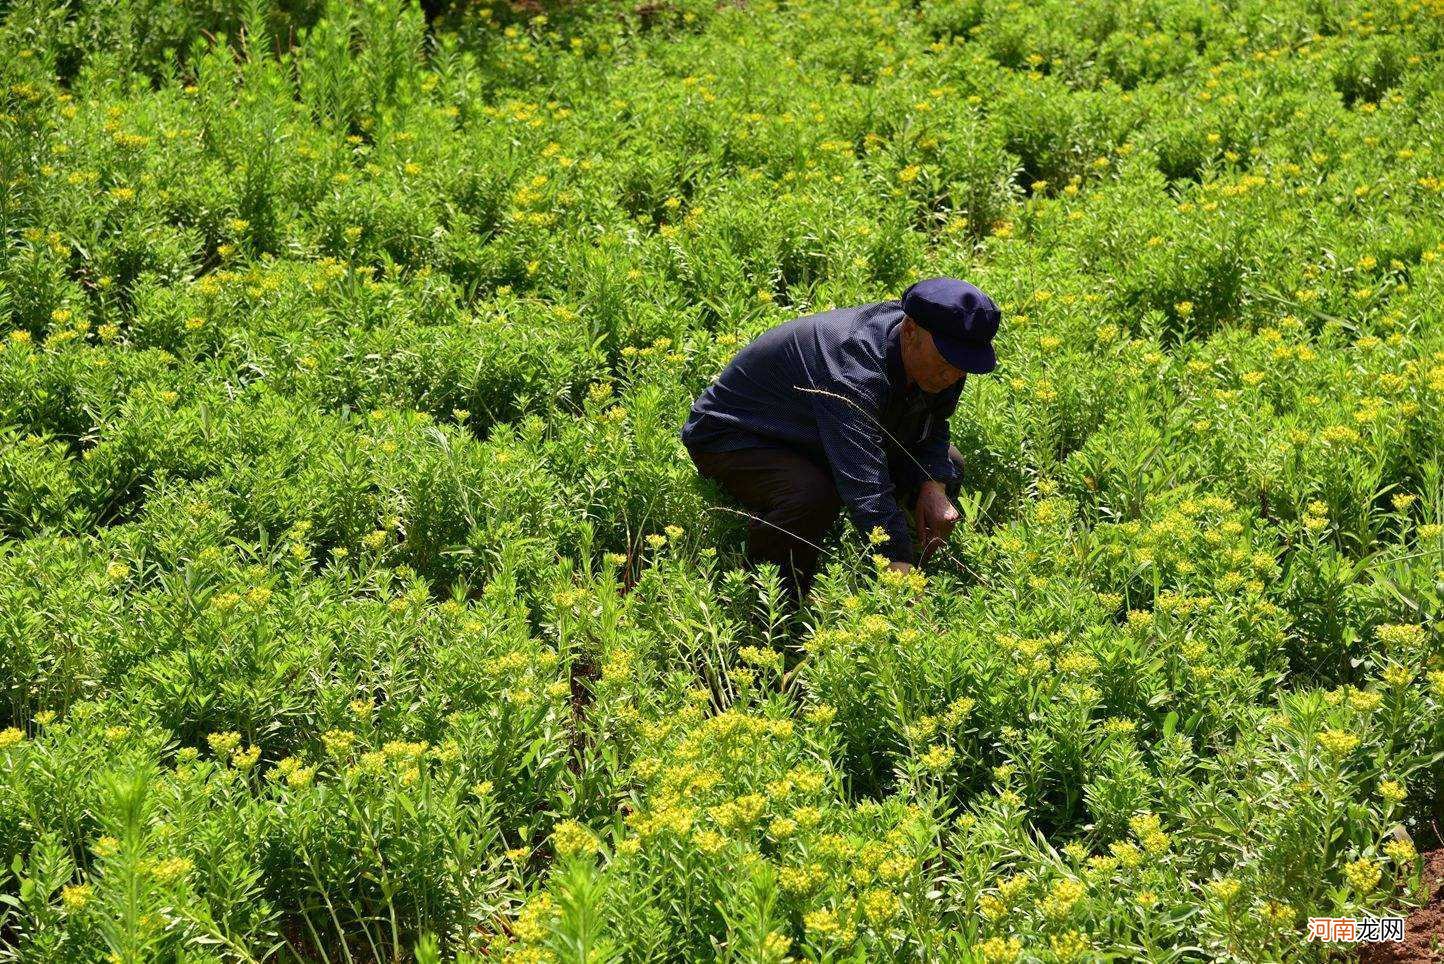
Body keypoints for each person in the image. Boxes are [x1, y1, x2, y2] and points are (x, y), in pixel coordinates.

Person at [680, 276, 1002, 602]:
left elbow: (932, 424)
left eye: (965, 366)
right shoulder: (851, 366)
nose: (954, 376)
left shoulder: (940, 360)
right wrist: (897, 570)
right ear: (910, 331)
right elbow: (864, 482)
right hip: (738, 434)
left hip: (812, 431)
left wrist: (934, 484)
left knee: (948, 464)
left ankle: (914, 562)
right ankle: (775, 600)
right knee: (812, 495)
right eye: (948, 361)